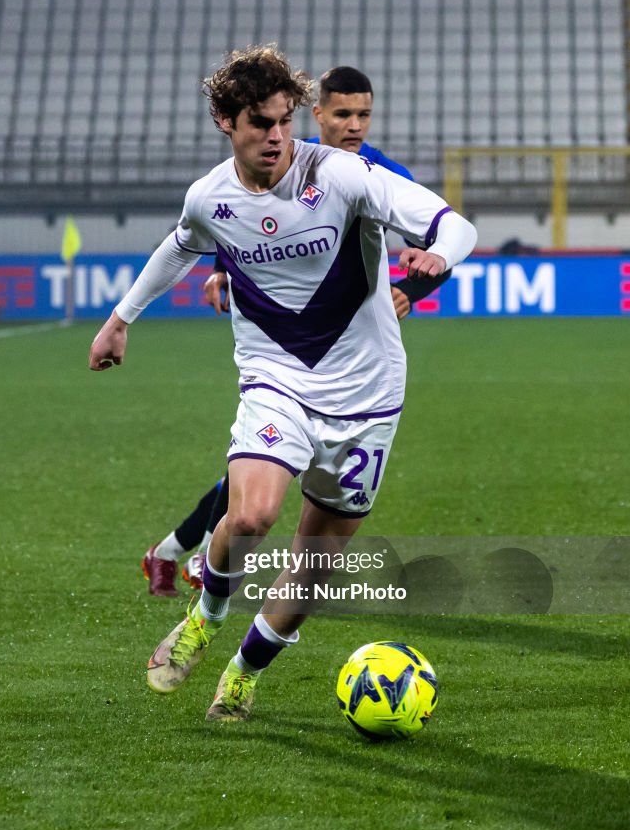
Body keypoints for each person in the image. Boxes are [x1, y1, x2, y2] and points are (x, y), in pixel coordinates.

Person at [89, 44, 476, 722]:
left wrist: (436, 253)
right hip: (278, 382)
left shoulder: (346, 176)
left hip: (366, 394)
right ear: (224, 123)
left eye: (282, 122)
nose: (274, 137)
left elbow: (454, 223)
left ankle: (242, 672)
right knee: (251, 514)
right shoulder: (210, 198)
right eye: (258, 124)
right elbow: (179, 245)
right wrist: (121, 319)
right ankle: (204, 617)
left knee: (314, 564)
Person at [142, 65, 452, 596]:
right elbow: (240, 216)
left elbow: (438, 238)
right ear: (319, 114)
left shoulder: (377, 172)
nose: (354, 125)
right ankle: (189, 556)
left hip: (351, 354)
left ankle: (174, 550)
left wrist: (410, 290)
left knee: (267, 469)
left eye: (364, 115)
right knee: (260, 470)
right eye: (343, 114)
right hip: (286, 348)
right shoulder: (287, 156)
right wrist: (221, 269)